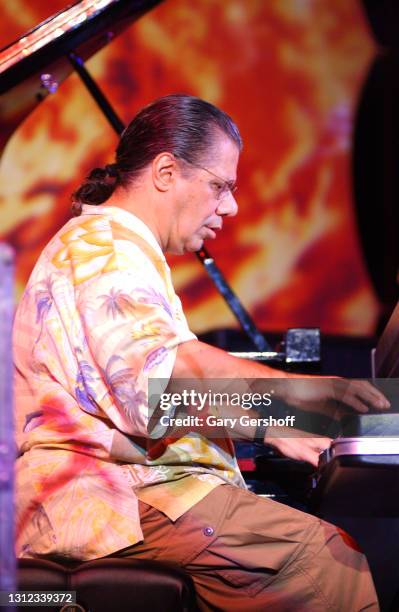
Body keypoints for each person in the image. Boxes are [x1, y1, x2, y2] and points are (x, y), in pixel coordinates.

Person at [14, 94, 387, 611]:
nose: (231, 206)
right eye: (220, 186)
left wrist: (275, 423)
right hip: (108, 499)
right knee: (322, 563)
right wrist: (291, 402)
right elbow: (156, 388)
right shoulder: (105, 250)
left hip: (132, 492)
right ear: (166, 171)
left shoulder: (112, 247)